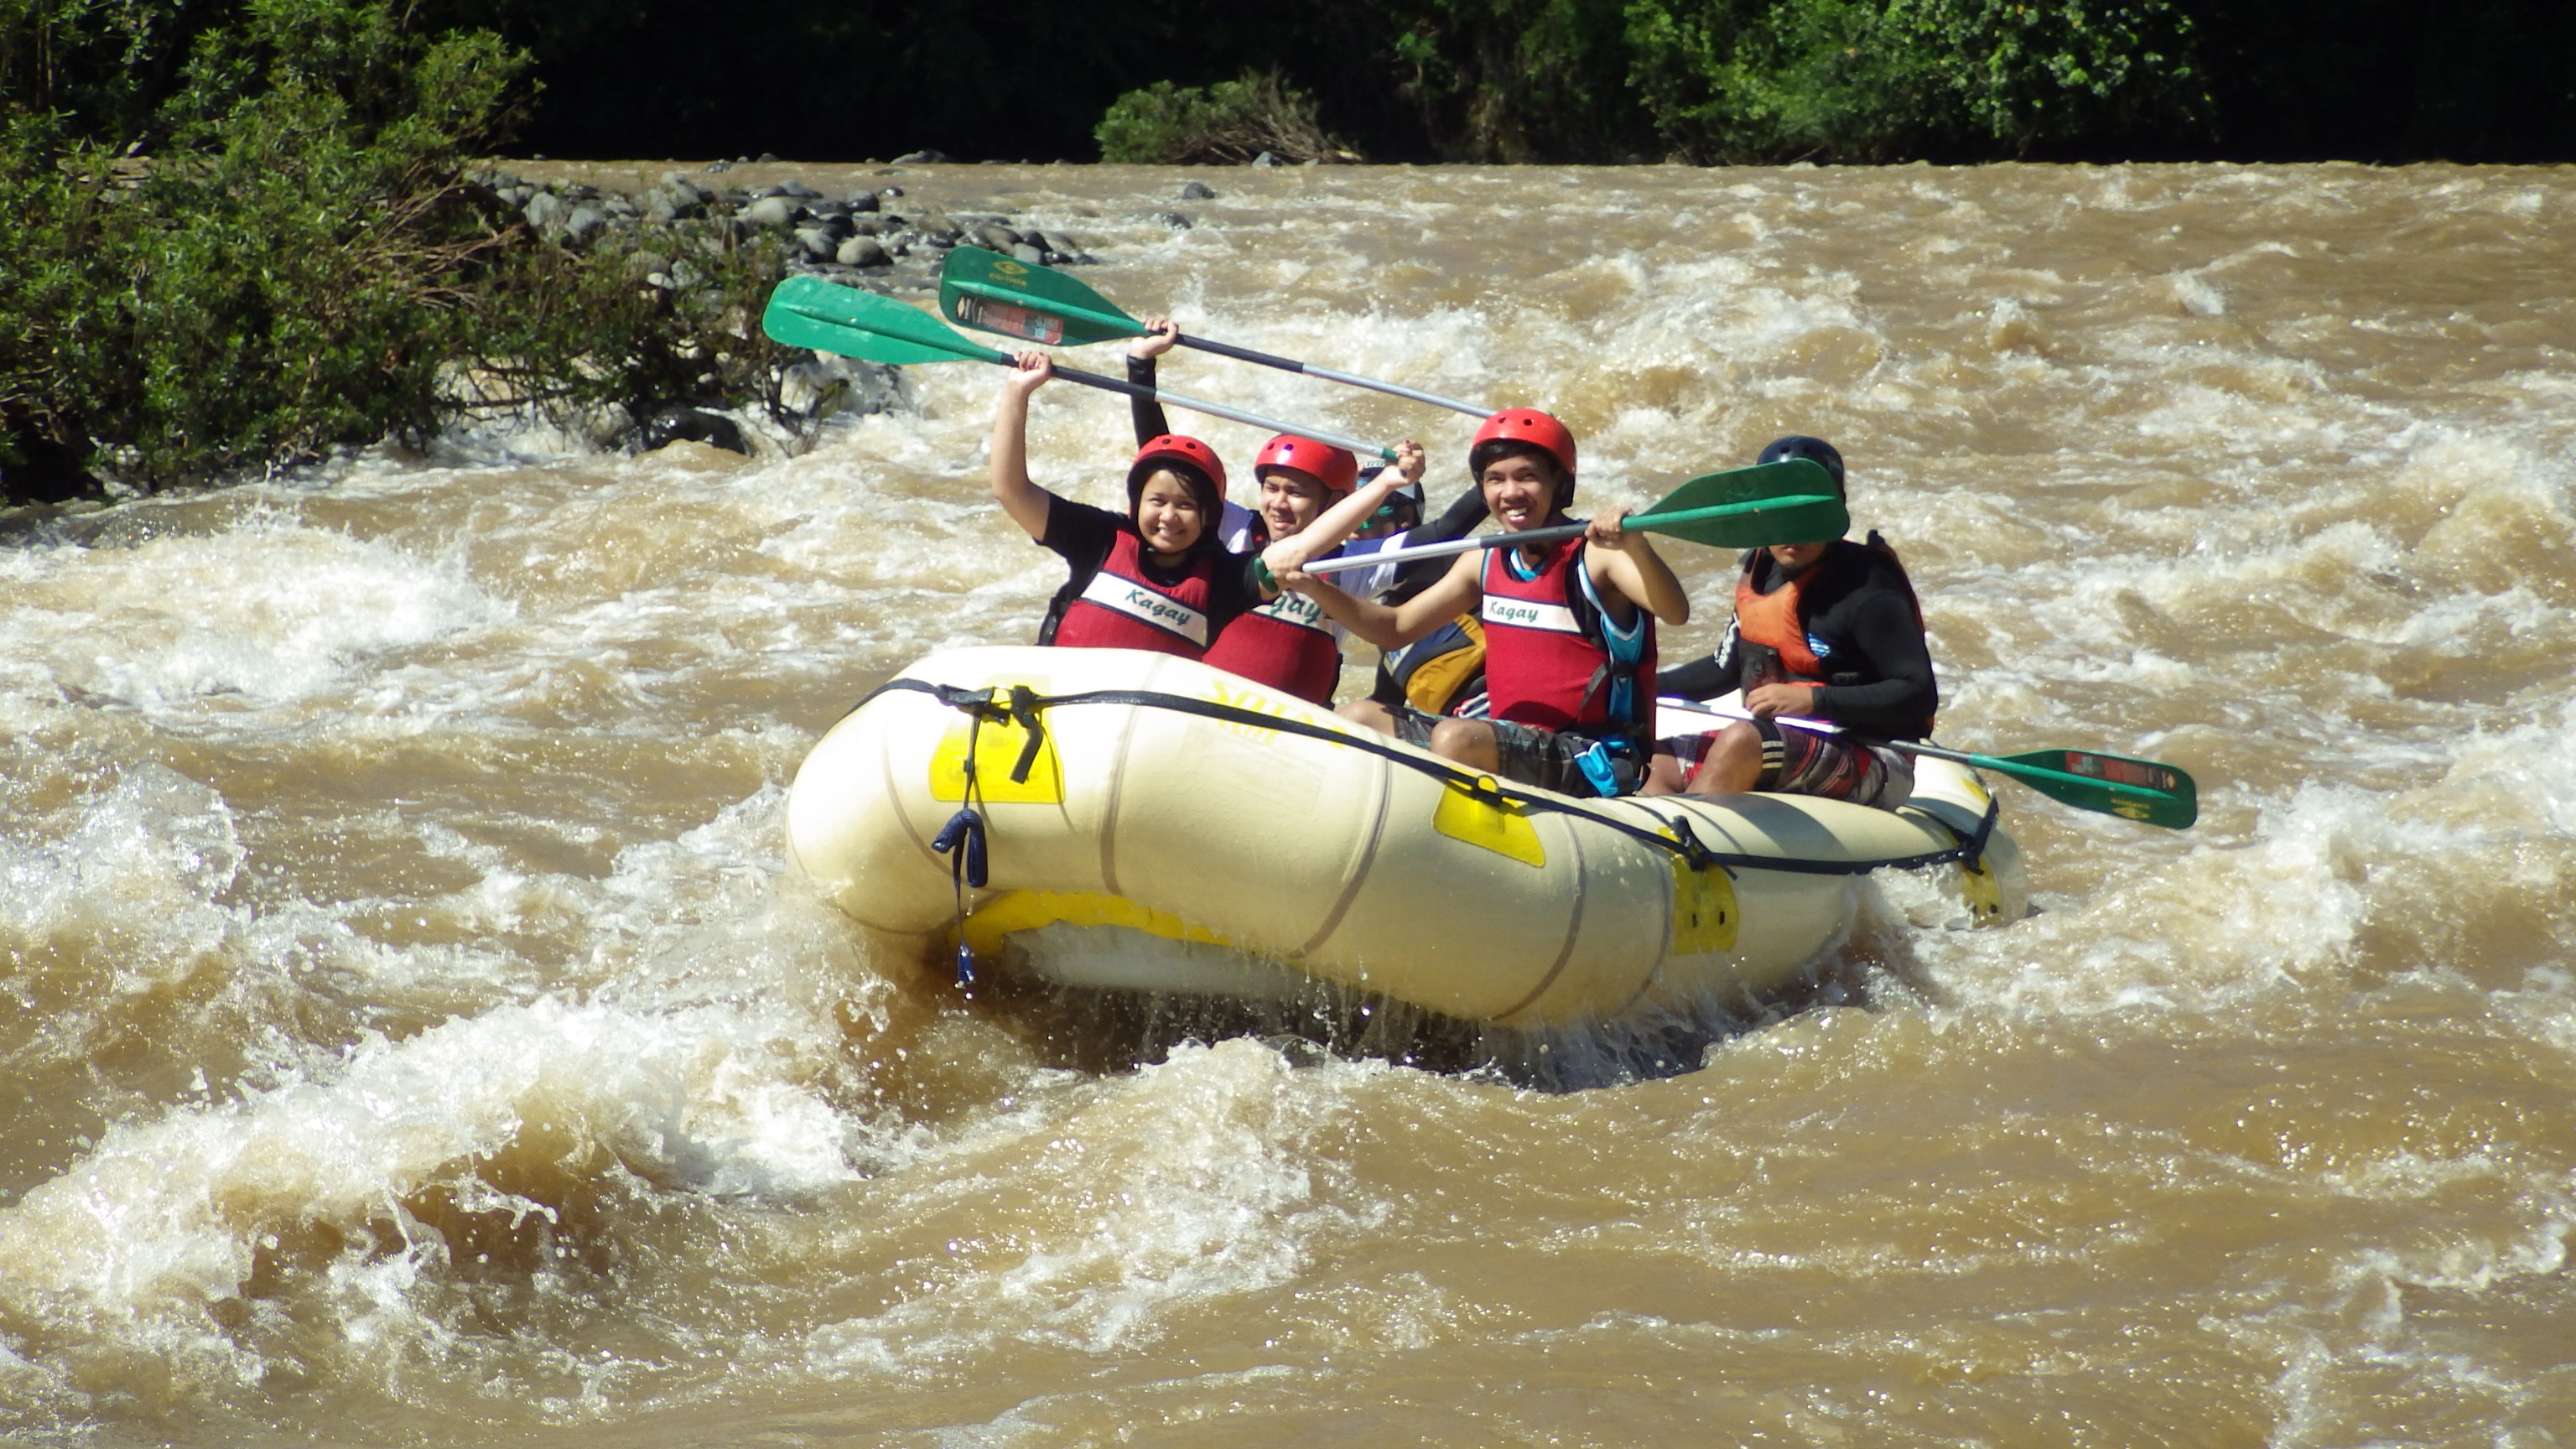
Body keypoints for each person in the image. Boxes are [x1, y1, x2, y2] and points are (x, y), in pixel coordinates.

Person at [1285, 409, 1690, 798]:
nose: (1510, 493)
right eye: (1495, 480)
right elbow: (1394, 630)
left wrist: (1635, 544)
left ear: (1559, 484)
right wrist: (1315, 586)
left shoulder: (1598, 556)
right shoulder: (1482, 562)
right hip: (1508, 740)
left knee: (1457, 737)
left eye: (1527, 477)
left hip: (1594, 754)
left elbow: (1676, 612)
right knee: (1360, 717)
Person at [986, 351, 1379, 657]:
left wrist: (1389, 482)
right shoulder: (1099, 538)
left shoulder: (1226, 580)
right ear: (1137, 503)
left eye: (1186, 506)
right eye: (1157, 501)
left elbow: (1303, 548)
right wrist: (1017, 392)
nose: (1169, 517)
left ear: (1210, 515)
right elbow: (1012, 490)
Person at [1122, 318, 1428, 704]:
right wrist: (1141, 366)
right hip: (1200, 711)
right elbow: (1165, 468)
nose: (1278, 504)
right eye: (1271, 489)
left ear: (1333, 503)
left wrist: (1492, 489)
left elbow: (1444, 533)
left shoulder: (1354, 564)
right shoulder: (1232, 530)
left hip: (1290, 731)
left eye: (1296, 493)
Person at [1644, 436, 1935, 810]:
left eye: (1807, 516)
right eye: (1781, 515)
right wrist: (1647, 685)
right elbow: (1725, 668)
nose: (1793, 532)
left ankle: (1694, 844)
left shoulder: (1869, 589)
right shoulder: (1763, 574)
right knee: (1656, 761)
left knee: (1742, 740)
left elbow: (1918, 692)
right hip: (1790, 740)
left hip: (1875, 755)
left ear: (1834, 512)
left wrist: (1812, 698)